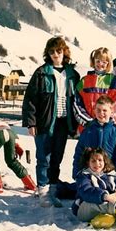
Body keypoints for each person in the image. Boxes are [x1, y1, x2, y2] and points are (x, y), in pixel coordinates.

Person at [22, 36, 79, 207]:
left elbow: (77, 101)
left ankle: (53, 188)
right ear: (48, 53)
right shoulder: (42, 73)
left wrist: (76, 125)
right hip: (44, 122)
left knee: (57, 157)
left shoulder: (72, 75)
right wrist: (31, 123)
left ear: (64, 52)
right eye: (52, 51)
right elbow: (30, 100)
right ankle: (43, 191)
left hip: (64, 122)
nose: (55, 54)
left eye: (59, 51)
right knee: (43, 157)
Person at [72, 148, 116, 229]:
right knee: (96, 202)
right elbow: (86, 191)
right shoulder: (83, 176)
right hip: (85, 209)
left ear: (105, 161)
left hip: (107, 208)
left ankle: (104, 220)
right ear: (88, 163)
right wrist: (105, 196)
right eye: (93, 161)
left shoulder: (113, 175)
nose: (97, 163)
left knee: (114, 207)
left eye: (100, 160)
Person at [72, 95, 116, 179]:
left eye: (105, 110)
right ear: (94, 111)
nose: (101, 113)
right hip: (89, 175)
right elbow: (78, 154)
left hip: (109, 176)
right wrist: (77, 174)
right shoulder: (87, 131)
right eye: (98, 110)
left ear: (111, 111)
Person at [74, 47, 116, 132]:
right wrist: (88, 122)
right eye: (98, 61)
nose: (100, 64)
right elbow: (77, 104)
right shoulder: (84, 81)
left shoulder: (115, 83)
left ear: (108, 63)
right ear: (93, 61)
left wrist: (107, 123)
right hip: (87, 128)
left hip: (107, 130)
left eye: (104, 62)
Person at [0, 118, 36, 193]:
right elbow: (4, 131)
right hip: (10, 132)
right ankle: (30, 183)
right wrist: (15, 146)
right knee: (11, 160)